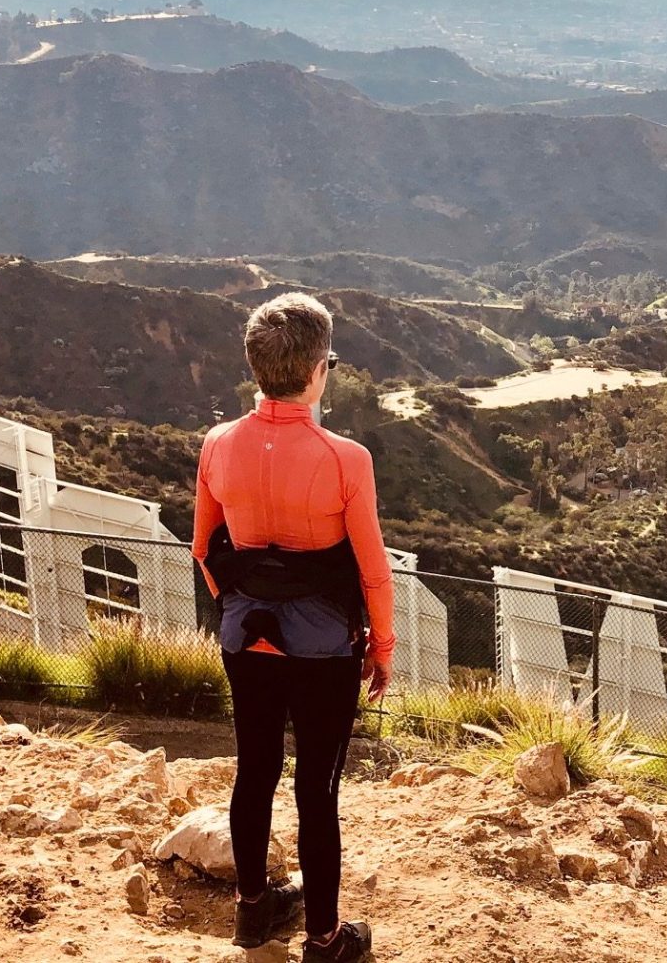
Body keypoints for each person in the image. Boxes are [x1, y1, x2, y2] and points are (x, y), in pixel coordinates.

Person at [194, 292, 393, 961]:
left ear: (257, 367)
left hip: (245, 635)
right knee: (318, 787)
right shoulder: (346, 459)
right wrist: (381, 649)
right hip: (324, 648)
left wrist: (241, 607)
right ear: (316, 371)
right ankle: (325, 940)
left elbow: (203, 549)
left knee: (255, 768)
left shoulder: (218, 444)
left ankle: (254, 913)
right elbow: (372, 572)